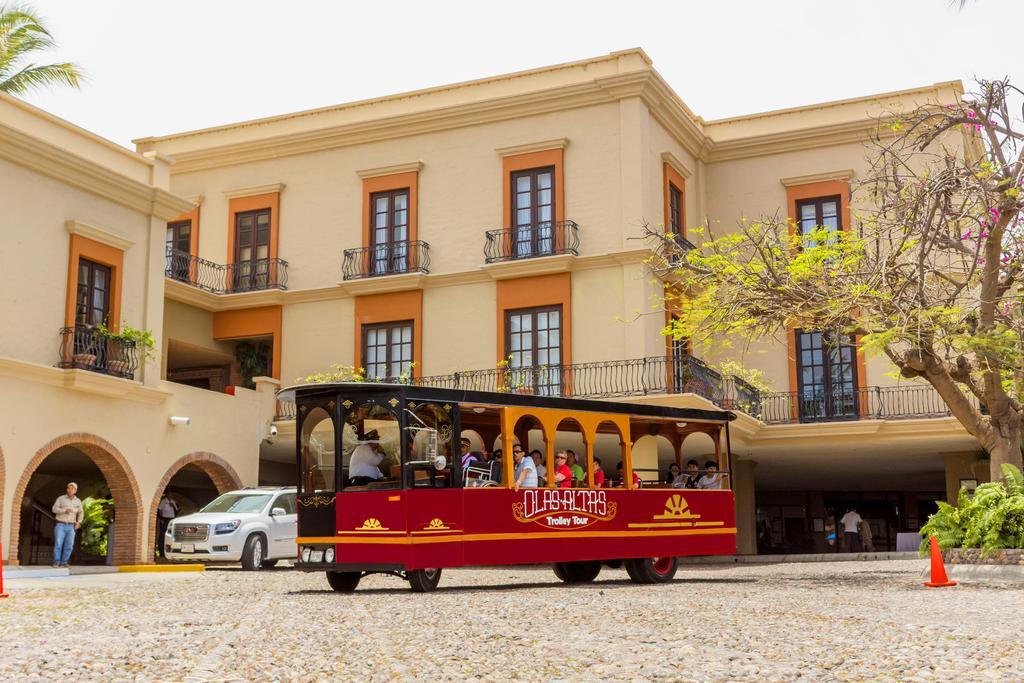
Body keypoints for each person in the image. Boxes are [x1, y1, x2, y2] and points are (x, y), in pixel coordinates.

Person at [52, 482, 83, 568]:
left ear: (75, 490)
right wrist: (64, 510)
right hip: (60, 525)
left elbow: (81, 513)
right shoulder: (61, 498)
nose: (70, 490)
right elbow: (54, 509)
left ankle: (64, 562)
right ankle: (56, 562)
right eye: (68, 488)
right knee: (58, 544)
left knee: (69, 545)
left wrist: (79, 522)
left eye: (72, 488)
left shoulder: (78, 501)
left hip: (71, 526)